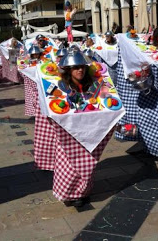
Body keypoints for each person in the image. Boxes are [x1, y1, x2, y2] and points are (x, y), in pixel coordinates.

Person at [47, 49, 111, 207]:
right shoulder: (62, 85)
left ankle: (82, 192)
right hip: (69, 128)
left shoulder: (94, 83)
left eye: (82, 66)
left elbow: (106, 97)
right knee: (68, 163)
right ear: (68, 69)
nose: (80, 70)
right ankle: (67, 193)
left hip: (91, 126)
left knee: (88, 162)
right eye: (76, 67)